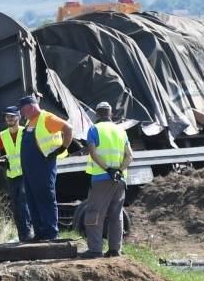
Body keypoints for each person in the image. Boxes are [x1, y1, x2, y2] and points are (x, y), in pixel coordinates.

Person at [18, 94, 73, 242]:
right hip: (30, 170)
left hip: (43, 166)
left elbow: (68, 128)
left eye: (23, 110)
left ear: (31, 106)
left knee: (46, 199)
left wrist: (62, 148)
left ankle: (51, 233)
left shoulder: (47, 118)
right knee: (33, 200)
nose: (22, 114)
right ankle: (39, 233)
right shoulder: (30, 123)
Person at [80, 102, 131, 257]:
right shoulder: (121, 130)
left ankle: (95, 250)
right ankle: (115, 250)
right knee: (116, 215)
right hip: (120, 180)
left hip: (101, 178)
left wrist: (108, 170)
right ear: (111, 114)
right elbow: (130, 156)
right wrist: (118, 171)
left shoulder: (94, 129)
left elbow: (93, 153)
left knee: (95, 212)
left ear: (96, 115)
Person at [0, 107, 32, 242]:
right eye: (7, 117)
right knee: (16, 206)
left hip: (26, 174)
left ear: (18, 117)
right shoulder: (3, 135)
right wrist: (0, 163)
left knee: (25, 204)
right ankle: (22, 235)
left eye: (12, 117)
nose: (9, 119)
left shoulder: (26, 131)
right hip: (12, 175)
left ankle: (29, 233)